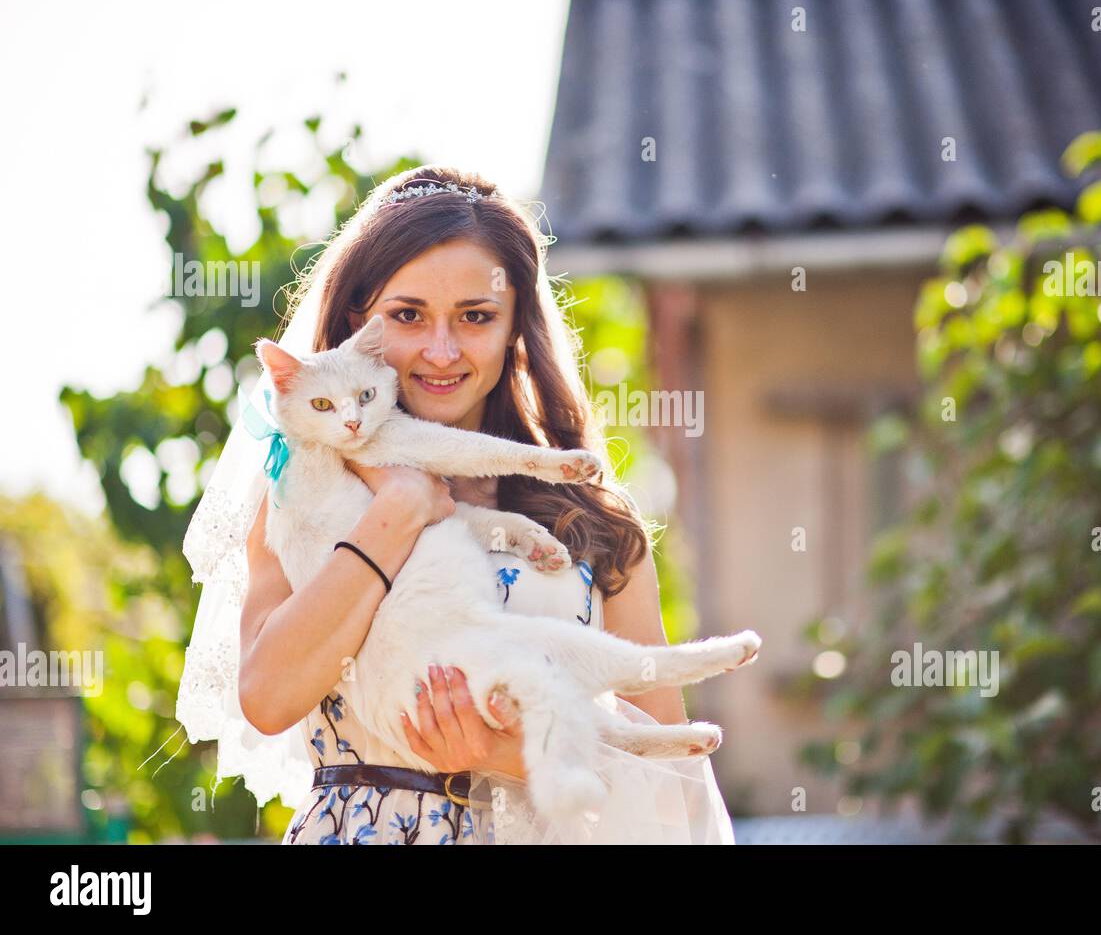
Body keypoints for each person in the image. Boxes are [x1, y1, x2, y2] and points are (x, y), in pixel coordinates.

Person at [176, 164, 735, 844]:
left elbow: (675, 789)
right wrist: (399, 510)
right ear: (360, 324)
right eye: (408, 315)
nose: (441, 351)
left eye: (475, 316)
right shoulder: (295, 500)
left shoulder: (594, 525)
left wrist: (499, 754)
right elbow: (267, 695)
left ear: (513, 326)